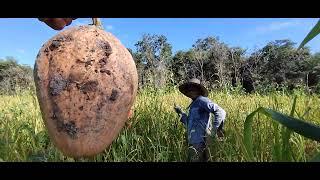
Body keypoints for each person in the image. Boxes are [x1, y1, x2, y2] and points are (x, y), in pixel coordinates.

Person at [174, 78, 226, 162]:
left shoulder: (202, 100)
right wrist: (180, 113)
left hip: (201, 142)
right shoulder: (194, 104)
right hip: (193, 142)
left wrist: (214, 131)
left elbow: (220, 112)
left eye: (193, 88)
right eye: (189, 88)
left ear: (198, 90)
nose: (190, 90)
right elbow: (189, 124)